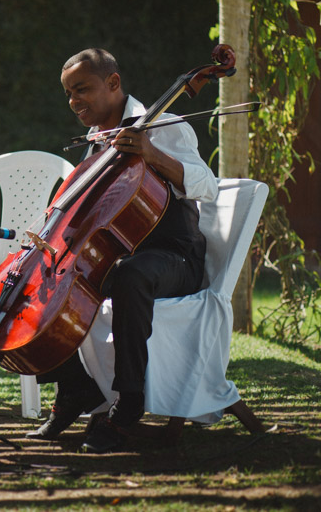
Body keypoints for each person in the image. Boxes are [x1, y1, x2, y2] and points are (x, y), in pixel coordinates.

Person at [27, 48, 219, 453]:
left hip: (173, 256)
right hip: (120, 254)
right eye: (68, 93)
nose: (74, 101)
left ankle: (128, 404)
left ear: (113, 83)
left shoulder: (164, 126)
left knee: (129, 275)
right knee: (40, 285)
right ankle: (75, 388)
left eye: (82, 89)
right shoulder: (98, 141)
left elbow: (207, 184)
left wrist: (151, 154)